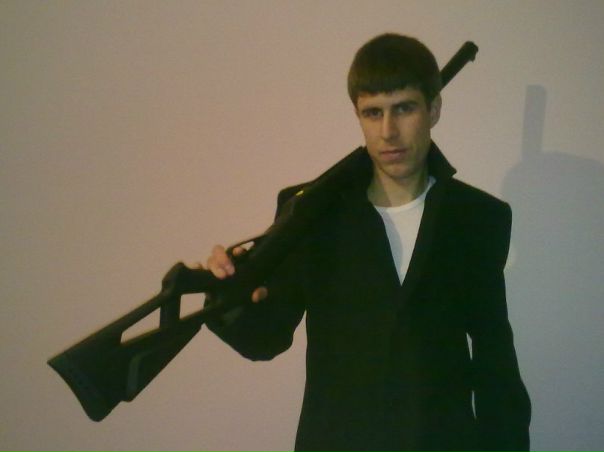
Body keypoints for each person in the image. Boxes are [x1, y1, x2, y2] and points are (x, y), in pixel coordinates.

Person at [202, 33, 531, 452]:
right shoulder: (313, 212)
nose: (388, 131)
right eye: (373, 113)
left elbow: (494, 363)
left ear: (433, 109)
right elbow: (264, 339)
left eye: (404, 108)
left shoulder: (478, 217)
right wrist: (226, 292)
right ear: (358, 116)